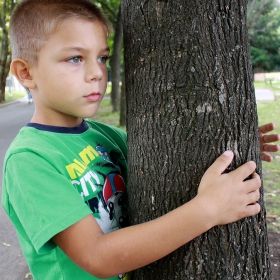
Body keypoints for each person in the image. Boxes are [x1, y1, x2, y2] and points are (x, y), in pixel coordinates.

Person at [1, 0, 279, 279]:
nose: (97, 73)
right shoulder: (29, 159)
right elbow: (97, 256)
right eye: (75, 58)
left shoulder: (106, 137)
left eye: (102, 57)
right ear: (26, 72)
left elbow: (173, 157)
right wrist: (208, 210)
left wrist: (233, 142)